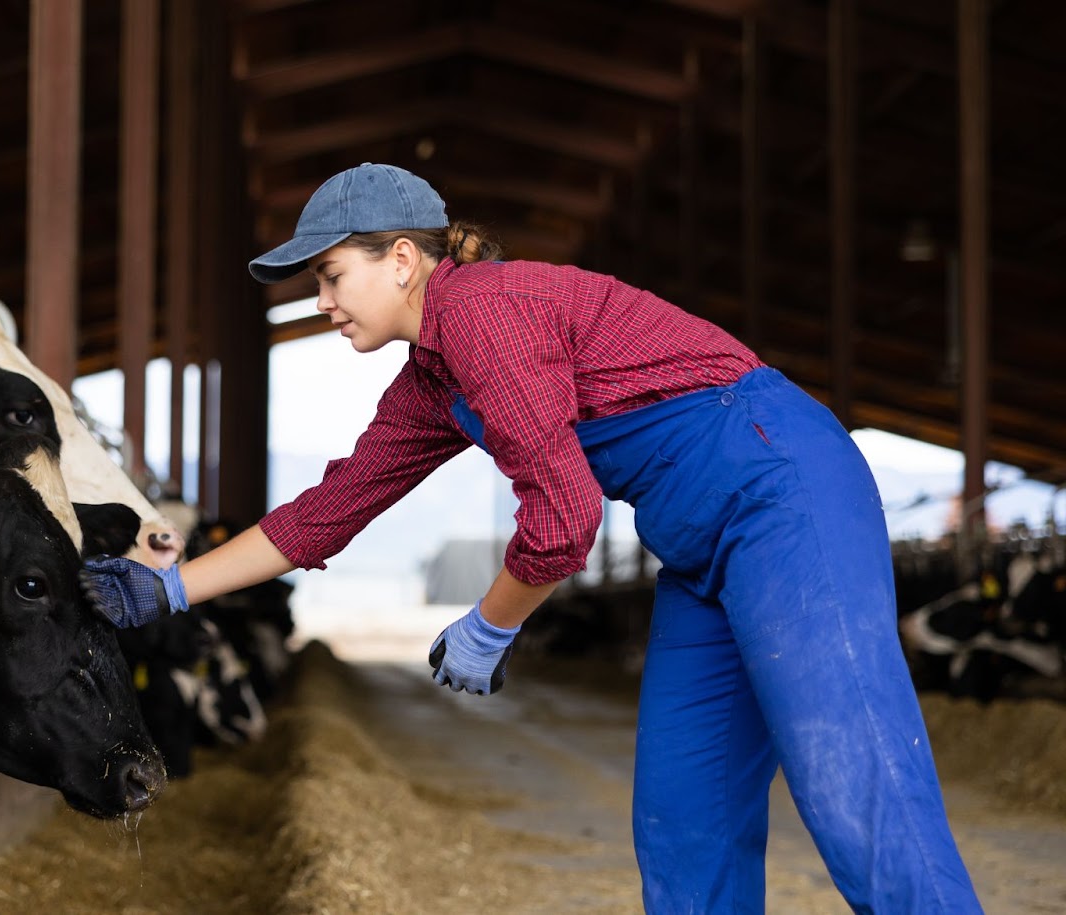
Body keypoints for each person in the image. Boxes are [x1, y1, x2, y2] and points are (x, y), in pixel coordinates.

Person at [82, 162, 981, 912]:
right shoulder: (432, 378)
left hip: (785, 493)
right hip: (700, 547)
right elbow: (333, 507)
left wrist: (491, 623)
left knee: (848, 776)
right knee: (683, 815)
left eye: (329, 276)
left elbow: (564, 518)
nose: (320, 301)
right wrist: (167, 588)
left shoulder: (483, 311)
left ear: (402, 260)